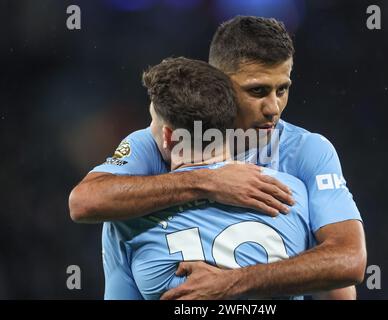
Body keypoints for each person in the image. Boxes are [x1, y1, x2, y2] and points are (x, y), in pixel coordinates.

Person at [69, 16, 366, 299]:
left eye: (283, 89)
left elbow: (349, 261)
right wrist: (207, 181)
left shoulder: (306, 149)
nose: (273, 107)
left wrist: (233, 283)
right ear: (220, 82)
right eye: (258, 90)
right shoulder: (158, 140)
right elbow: (84, 202)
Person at [104, 57, 316, 299]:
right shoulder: (295, 195)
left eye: (153, 120)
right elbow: (337, 289)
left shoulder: (128, 219)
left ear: (169, 137)